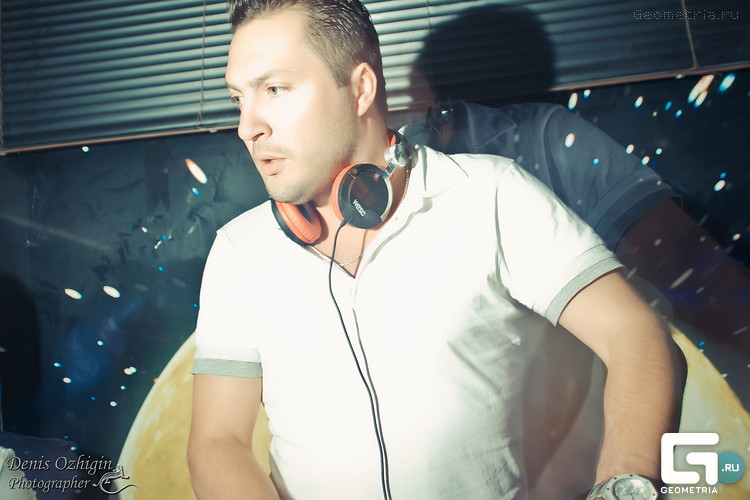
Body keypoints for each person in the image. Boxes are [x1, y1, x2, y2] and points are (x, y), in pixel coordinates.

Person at [187, 1, 686, 499]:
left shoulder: (490, 194)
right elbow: (217, 440)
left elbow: (637, 335)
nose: (247, 126)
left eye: (274, 89)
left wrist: (624, 487)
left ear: (360, 89)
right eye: (238, 99)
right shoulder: (237, 251)